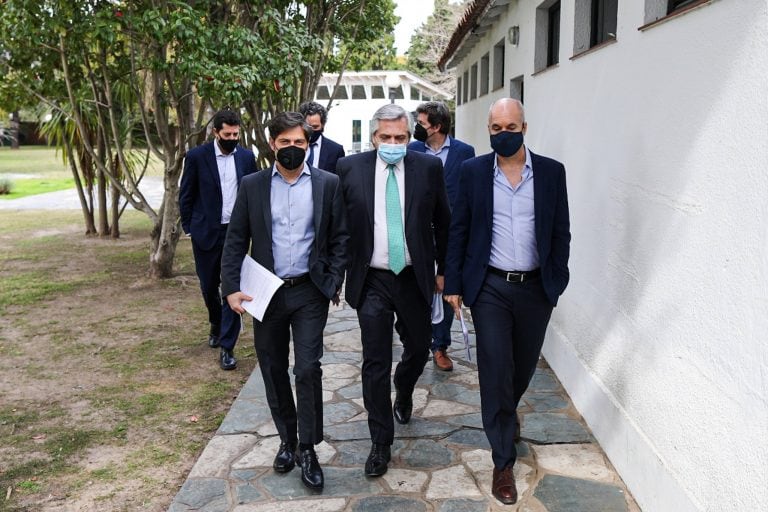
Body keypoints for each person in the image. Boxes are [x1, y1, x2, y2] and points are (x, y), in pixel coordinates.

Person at [443, 98, 570, 505]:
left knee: (522, 366)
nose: (503, 134)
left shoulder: (551, 172)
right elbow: (458, 229)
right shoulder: (473, 172)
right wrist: (454, 283)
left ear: (525, 128)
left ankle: (506, 411)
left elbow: (561, 231)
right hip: (491, 287)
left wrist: (557, 279)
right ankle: (503, 460)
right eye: (496, 128)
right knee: (495, 368)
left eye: (510, 127)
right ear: (489, 130)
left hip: (536, 289)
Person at [220, 112, 348, 491]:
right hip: (266, 292)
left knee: (307, 368)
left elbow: (341, 237)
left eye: (300, 143)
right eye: (286, 142)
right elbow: (235, 240)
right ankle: (287, 440)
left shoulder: (329, 183)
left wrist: (333, 279)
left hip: (310, 290)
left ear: (308, 145)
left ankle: (307, 447)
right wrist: (230, 287)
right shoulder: (252, 185)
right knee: (273, 369)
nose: (293, 149)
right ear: (272, 143)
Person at [337, 104, 451, 477]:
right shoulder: (349, 169)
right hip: (372, 278)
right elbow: (339, 227)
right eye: (385, 137)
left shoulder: (428, 168)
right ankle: (380, 442)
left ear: (409, 137)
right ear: (374, 137)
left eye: (400, 137)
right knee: (375, 360)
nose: (393, 143)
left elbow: (443, 223)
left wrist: (444, 271)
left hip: (414, 276)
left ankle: (403, 389)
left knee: (419, 348)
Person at [179, 109, 257, 371]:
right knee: (208, 286)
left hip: (236, 233)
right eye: (228, 134)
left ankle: (227, 346)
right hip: (206, 232)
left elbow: (254, 192)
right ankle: (215, 322)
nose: (232, 138)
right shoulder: (196, 157)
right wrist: (190, 227)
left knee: (231, 288)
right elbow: (186, 194)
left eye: (236, 134)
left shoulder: (247, 157)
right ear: (216, 133)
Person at [408, 101, 475, 371]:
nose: (417, 128)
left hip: (452, 230)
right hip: (418, 231)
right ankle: (418, 339)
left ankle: (440, 346)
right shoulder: (412, 150)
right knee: (417, 288)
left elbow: (470, 190)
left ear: (436, 127)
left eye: (422, 123)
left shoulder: (464, 152)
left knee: (448, 286)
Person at [299, 101, 346, 173]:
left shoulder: (335, 150)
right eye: (308, 126)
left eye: (315, 127)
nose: (311, 130)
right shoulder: (293, 145)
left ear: (323, 125)